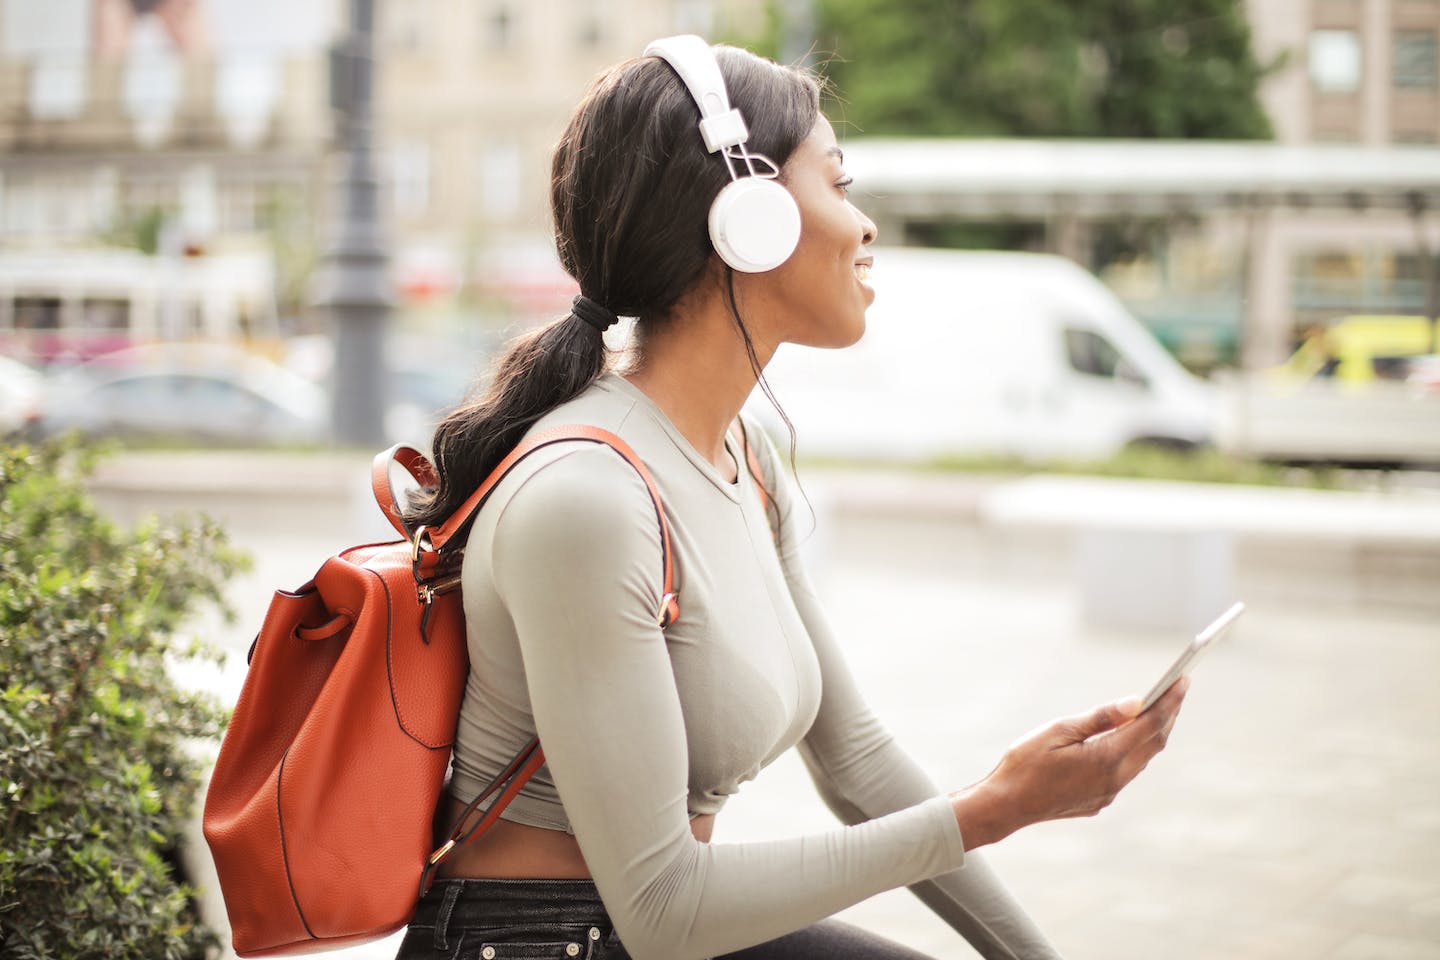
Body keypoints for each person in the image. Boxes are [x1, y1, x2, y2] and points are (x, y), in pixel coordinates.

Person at [397, 36, 1187, 960]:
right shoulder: (587, 498)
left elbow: (857, 762)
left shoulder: (745, 452)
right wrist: (994, 810)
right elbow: (664, 908)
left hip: (642, 931)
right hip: (542, 942)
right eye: (841, 186)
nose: (866, 227)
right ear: (749, 217)